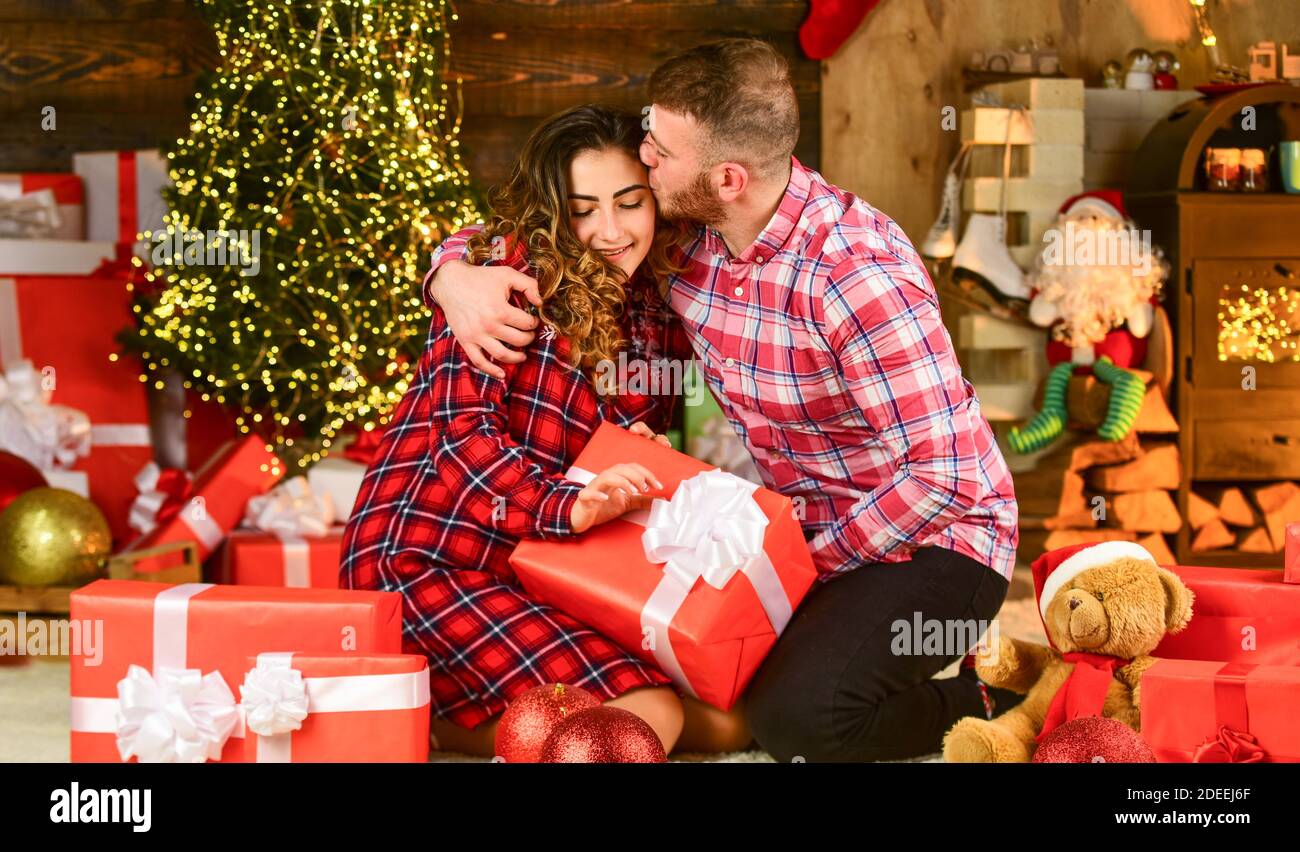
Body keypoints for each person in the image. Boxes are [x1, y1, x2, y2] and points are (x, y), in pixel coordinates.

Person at [424, 39, 1022, 761]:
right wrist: (452, 274)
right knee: (716, 679)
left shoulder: (856, 279)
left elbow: (945, 477)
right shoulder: (688, 235)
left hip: (939, 546)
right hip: (803, 538)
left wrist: (797, 565)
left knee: (801, 719)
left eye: (660, 152)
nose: (643, 158)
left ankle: (1001, 699)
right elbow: (536, 223)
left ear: (728, 177)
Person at [340, 104, 753, 758]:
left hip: (540, 567)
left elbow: (616, 448)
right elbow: (464, 444)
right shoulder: (506, 281)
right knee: (647, 713)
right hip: (430, 559)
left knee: (729, 723)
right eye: (584, 209)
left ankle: (418, 719)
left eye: (629, 203)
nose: (611, 231)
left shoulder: (655, 312)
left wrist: (636, 456)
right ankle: (425, 710)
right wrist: (571, 503)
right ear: (553, 213)